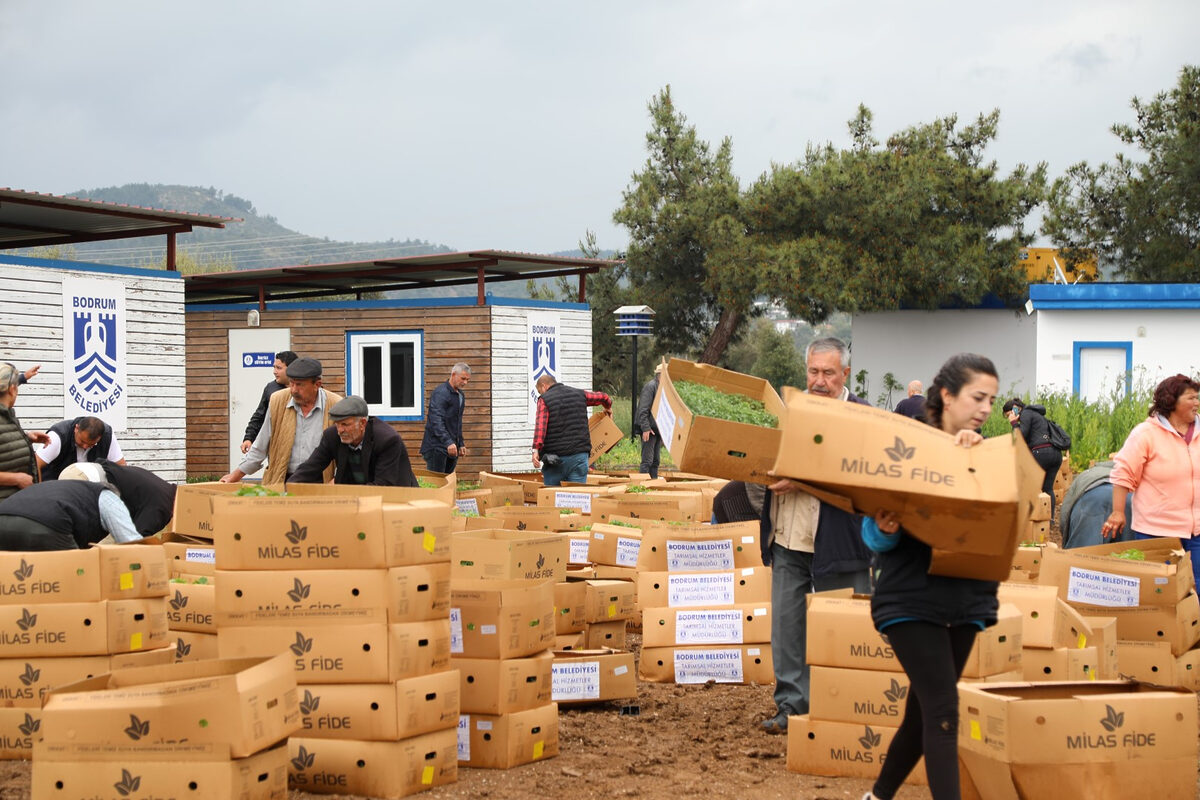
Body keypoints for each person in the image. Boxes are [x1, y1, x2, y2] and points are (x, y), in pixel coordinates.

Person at [860, 353, 1002, 800]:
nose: (985, 408)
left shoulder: (990, 455)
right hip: (909, 598)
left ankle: (878, 795)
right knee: (944, 708)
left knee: (924, 711)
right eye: (978, 397)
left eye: (992, 401)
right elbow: (872, 533)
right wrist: (884, 527)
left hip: (965, 598)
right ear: (946, 395)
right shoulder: (907, 448)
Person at [759, 337, 873, 735]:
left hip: (840, 544)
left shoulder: (864, 418)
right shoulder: (790, 411)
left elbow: (866, 479)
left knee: (840, 633)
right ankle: (791, 707)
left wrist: (804, 477)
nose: (819, 380)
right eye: (813, 371)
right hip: (789, 537)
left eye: (828, 372)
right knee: (787, 630)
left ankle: (841, 710)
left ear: (845, 374)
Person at [1102, 374, 1200, 587]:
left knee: (1196, 587)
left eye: (1197, 398)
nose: (1197, 403)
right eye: (1191, 398)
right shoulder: (1146, 434)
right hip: (1157, 531)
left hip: (1197, 530)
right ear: (1172, 402)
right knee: (1160, 590)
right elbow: (1123, 473)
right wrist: (1118, 511)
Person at [220, 357, 343, 485]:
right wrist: (235, 475)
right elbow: (260, 445)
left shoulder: (335, 405)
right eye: (291, 383)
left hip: (321, 482)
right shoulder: (278, 401)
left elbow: (344, 452)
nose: (294, 390)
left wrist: (336, 480)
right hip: (283, 479)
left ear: (317, 384)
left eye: (299, 384)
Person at [290, 395, 418, 487]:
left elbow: (384, 484)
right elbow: (311, 467)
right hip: (356, 496)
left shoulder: (387, 440)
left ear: (362, 423)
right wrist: (287, 488)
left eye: (345, 424)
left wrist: (349, 496)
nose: (340, 430)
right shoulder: (332, 436)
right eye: (337, 424)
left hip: (397, 498)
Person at [0, 475, 143, 551]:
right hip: (47, 522)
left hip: (3, 516)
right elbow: (129, 541)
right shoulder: (109, 497)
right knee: (75, 575)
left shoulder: (68, 488)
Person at [531, 374, 611, 486]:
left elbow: (540, 427)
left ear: (544, 386)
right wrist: (608, 407)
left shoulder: (544, 400)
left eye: (540, 391)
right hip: (579, 457)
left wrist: (535, 450)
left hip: (555, 459)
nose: (541, 394)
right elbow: (604, 397)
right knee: (577, 497)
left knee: (552, 497)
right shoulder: (580, 394)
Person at [61, 460, 177, 537]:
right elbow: (137, 539)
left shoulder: (164, 489)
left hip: (80, 469)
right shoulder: (162, 506)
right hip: (86, 479)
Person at [1001, 398, 1064, 515]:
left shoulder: (1026, 414)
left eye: (1009, 414)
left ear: (1015, 408)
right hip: (1056, 454)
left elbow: (1021, 436)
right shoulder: (1036, 414)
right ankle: (1047, 520)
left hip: (1041, 453)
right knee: (1047, 488)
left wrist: (1014, 423)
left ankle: (1026, 520)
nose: (1010, 417)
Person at [0, 362, 49, 501]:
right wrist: (15, 479)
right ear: (11, 390)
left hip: (14, 504)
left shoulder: (7, 414)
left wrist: (26, 438)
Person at [1059, 461, 1134, 549]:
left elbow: (1066, 509)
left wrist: (1066, 533)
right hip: (1127, 503)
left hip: (1090, 504)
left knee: (1081, 556)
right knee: (1128, 556)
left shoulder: (1086, 475)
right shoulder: (1130, 475)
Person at [241, 350, 299, 454]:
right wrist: (248, 438)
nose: (274, 371)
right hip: (277, 447)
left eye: (279, 368)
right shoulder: (270, 388)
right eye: (274, 367)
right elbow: (259, 415)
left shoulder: (306, 389)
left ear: (292, 369)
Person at [36, 415, 126, 480]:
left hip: (88, 488)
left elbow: (121, 468)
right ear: (76, 428)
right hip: (54, 485)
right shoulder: (57, 436)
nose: (85, 446)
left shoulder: (107, 436)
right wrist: (39, 492)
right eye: (82, 441)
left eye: (91, 444)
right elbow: (36, 464)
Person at [419, 363, 470, 474]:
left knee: (448, 482)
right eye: (463, 378)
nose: (465, 382)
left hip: (451, 447)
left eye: (467, 380)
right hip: (436, 447)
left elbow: (457, 422)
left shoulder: (460, 395)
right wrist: (448, 442)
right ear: (453, 374)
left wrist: (460, 443)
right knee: (436, 484)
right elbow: (436, 420)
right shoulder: (441, 393)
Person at [634, 365, 663, 478]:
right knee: (647, 461)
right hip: (649, 429)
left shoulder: (662, 388)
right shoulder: (650, 387)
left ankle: (654, 485)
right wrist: (645, 428)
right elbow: (643, 409)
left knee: (655, 461)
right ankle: (642, 487)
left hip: (657, 429)